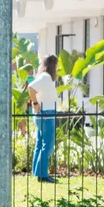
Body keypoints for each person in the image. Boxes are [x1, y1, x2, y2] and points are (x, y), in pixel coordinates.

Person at [28, 55, 59, 183]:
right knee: (48, 144)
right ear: (53, 65)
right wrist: (35, 103)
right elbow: (31, 87)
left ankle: (38, 172)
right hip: (46, 114)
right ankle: (43, 175)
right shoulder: (45, 77)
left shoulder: (45, 78)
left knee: (40, 144)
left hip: (44, 114)